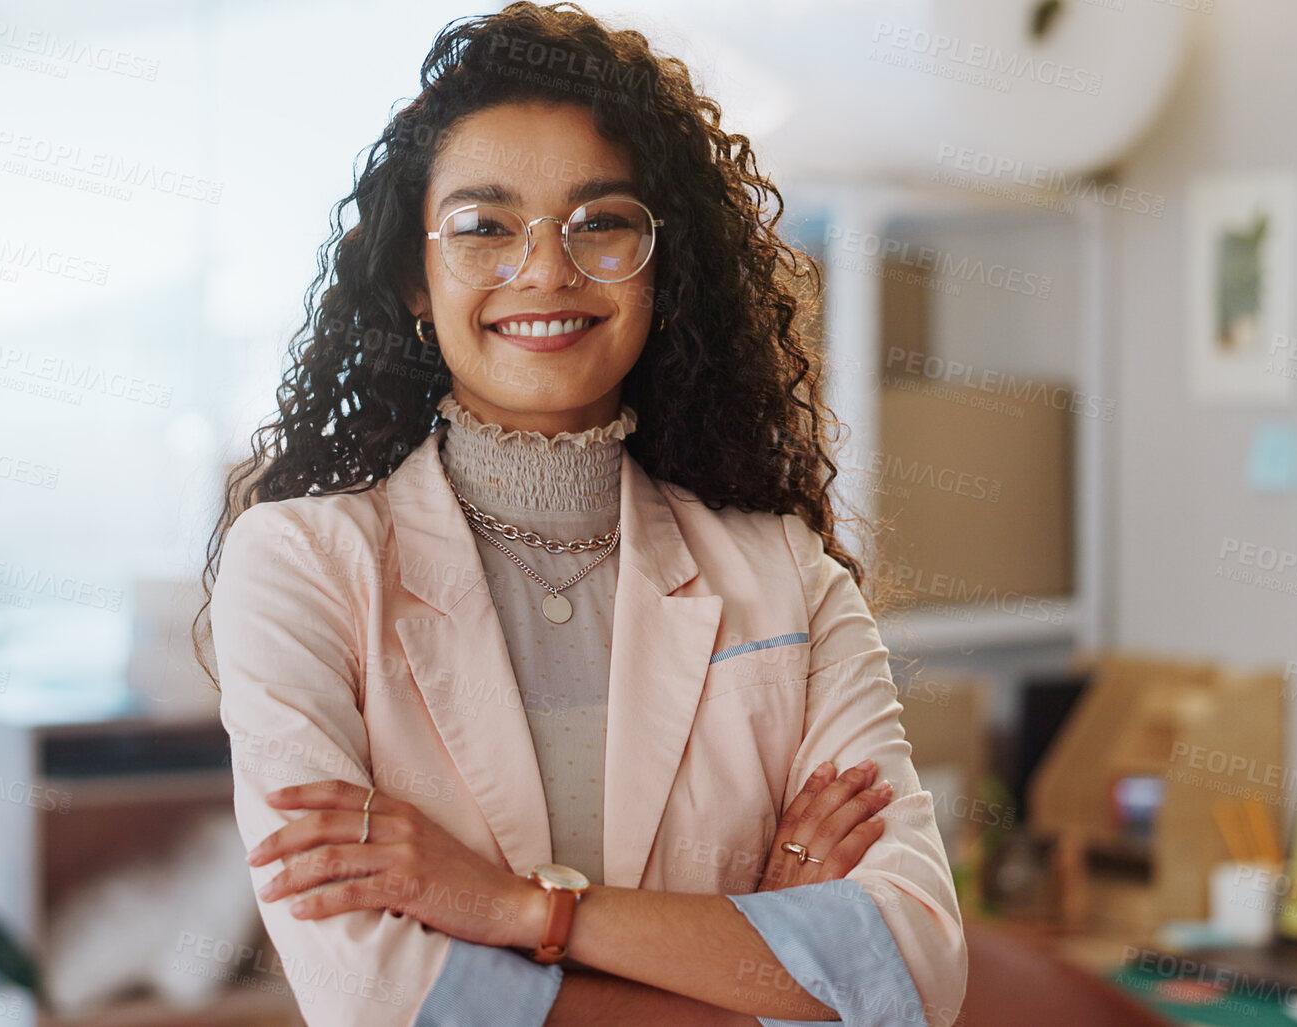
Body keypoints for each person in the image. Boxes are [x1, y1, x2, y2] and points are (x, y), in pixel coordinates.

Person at [196, 4, 966, 1024]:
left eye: (601, 221)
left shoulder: (786, 572)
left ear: (662, 266)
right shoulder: (299, 566)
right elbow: (377, 995)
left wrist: (522, 913)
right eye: (484, 226)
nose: (547, 269)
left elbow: (912, 967)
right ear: (413, 281)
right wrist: (767, 966)